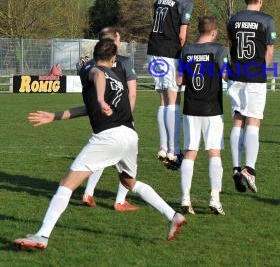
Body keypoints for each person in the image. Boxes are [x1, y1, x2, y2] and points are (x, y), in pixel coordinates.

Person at [13, 39, 186, 250]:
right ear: (114, 59)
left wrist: (101, 100)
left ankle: (42, 235)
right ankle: (173, 215)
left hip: (108, 136)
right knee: (129, 182)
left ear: (96, 56)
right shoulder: (117, 79)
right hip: (129, 135)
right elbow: (88, 108)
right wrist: (55, 116)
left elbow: (97, 75)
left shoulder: (95, 70)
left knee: (67, 183)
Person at [81, 26, 139, 211]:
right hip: (121, 119)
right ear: (116, 39)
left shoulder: (89, 65)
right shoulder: (124, 62)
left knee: (101, 155)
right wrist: (127, 117)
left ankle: (88, 192)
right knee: (128, 163)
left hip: (99, 118)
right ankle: (120, 201)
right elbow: (132, 94)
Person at [227, 0, 276, 193]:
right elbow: (270, 54)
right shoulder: (267, 20)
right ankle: (250, 169)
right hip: (255, 75)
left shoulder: (233, 19)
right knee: (254, 121)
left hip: (235, 74)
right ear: (261, 0)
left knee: (238, 120)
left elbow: (230, 47)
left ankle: (237, 168)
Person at [176, 16, 228, 215]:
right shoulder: (217, 50)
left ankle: (185, 198)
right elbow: (225, 74)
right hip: (212, 109)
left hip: (191, 108)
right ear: (214, 32)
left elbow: (180, 80)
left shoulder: (186, 51)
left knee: (190, 153)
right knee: (213, 152)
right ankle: (215, 199)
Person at [147, 0, 198, 167]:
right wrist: (182, 57)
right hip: (170, 52)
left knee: (162, 100)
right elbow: (182, 35)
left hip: (153, 50)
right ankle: (173, 150)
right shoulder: (185, 2)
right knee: (174, 99)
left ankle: (162, 146)